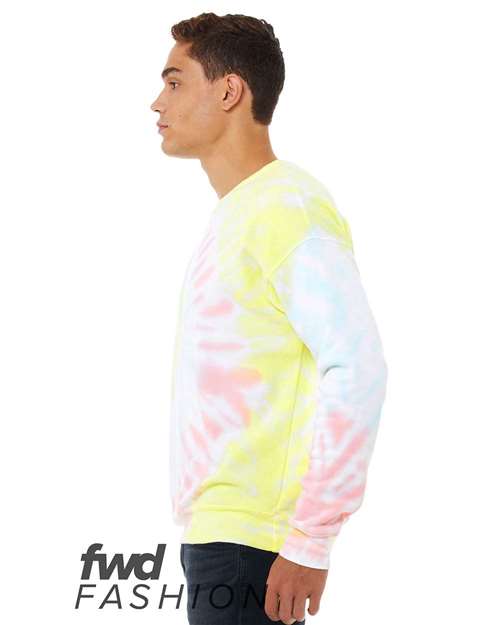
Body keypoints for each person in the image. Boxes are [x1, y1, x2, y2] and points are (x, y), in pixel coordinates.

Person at [150, 12, 388, 625]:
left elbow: (357, 366)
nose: (157, 102)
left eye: (174, 82)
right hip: (221, 541)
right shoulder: (238, 214)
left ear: (230, 91)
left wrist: (310, 539)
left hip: (252, 548)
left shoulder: (286, 205)